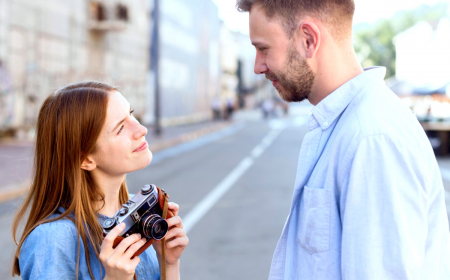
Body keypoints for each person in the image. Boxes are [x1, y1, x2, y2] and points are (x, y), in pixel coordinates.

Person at [236, 1, 450, 279]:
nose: (257, 67)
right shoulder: (349, 126)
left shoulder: (372, 139)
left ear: (308, 39)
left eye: (263, 48)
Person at [11, 82, 189, 280]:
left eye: (132, 114)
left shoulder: (140, 214)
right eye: (121, 128)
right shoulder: (53, 239)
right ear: (85, 159)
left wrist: (169, 264)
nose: (141, 129)